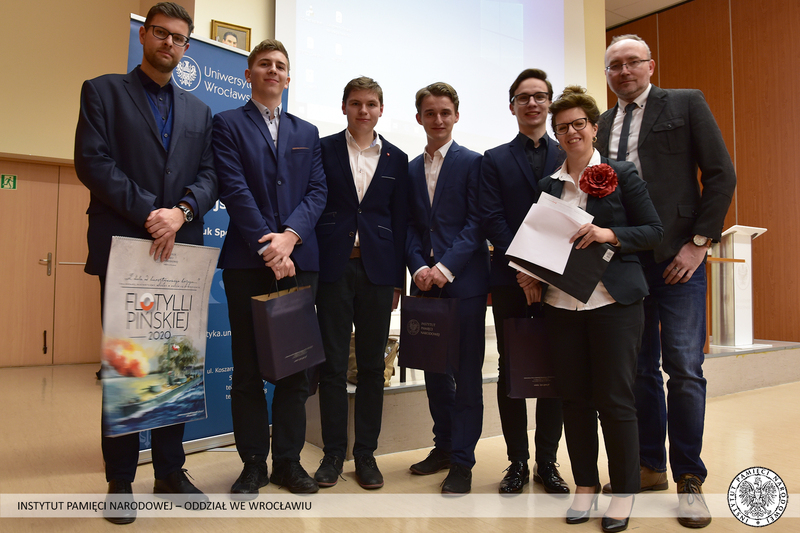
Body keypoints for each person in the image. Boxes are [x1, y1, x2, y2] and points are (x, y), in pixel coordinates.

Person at [74, 2, 216, 524]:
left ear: (186, 46)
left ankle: (170, 472)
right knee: (129, 364)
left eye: (178, 38)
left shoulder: (200, 112)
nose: (168, 43)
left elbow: (210, 175)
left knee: (175, 363)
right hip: (126, 247)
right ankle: (120, 479)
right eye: (160, 33)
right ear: (144, 36)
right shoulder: (103, 91)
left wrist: (181, 213)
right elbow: (92, 162)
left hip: (180, 250)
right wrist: (151, 213)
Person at [596, 34, 736, 529]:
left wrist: (698, 243)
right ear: (607, 73)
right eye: (614, 66)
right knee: (638, 370)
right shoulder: (602, 124)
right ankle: (650, 466)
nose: (624, 71)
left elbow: (720, 175)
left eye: (632, 62)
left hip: (680, 260)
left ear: (651, 65)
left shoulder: (685, 103)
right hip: (627, 263)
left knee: (684, 369)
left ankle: (690, 478)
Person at [541, 85, 662, 532]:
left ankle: (624, 491)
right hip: (562, 304)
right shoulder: (549, 185)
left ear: (594, 128)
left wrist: (609, 234)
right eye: (562, 127)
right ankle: (585, 486)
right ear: (556, 135)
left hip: (613, 302)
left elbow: (654, 231)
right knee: (573, 399)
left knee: (615, 400)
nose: (571, 132)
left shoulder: (621, 173)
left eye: (579, 124)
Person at [212, 39, 327, 496]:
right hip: (248, 261)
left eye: (280, 65)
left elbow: (317, 191)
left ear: (288, 77)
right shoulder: (227, 124)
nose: (273, 70)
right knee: (247, 368)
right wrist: (270, 246)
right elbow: (233, 188)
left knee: (296, 369)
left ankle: (288, 462)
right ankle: (253, 464)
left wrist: (290, 238)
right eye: (264, 64)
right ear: (249, 74)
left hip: (299, 262)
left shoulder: (307, 131)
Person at [313, 77, 408, 490]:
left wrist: (398, 281)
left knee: (371, 367)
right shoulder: (323, 149)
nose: (363, 111)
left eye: (371, 104)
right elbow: (315, 205)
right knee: (332, 366)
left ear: (381, 109)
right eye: (355, 103)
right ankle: (333, 453)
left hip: (378, 274)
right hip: (333, 270)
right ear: (344, 107)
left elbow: (400, 222)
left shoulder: (397, 158)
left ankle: (366, 454)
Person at [480, 69, 569, 495]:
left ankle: (547, 462)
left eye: (540, 96)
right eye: (523, 97)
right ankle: (516, 461)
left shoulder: (570, 153)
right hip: (510, 277)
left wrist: (541, 270)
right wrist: (523, 267)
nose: (532, 103)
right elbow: (492, 218)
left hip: (560, 279)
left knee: (556, 367)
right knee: (510, 369)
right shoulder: (493, 158)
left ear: (549, 103)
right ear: (512, 105)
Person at [405, 82, 489, 494]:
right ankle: (443, 446)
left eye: (444, 112)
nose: (437, 119)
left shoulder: (474, 162)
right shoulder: (409, 168)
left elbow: (477, 223)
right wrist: (419, 266)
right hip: (426, 287)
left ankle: (462, 462)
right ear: (418, 117)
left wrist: (444, 267)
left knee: (467, 377)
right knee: (435, 374)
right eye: (430, 113)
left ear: (456, 115)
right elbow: (408, 226)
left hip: (464, 285)